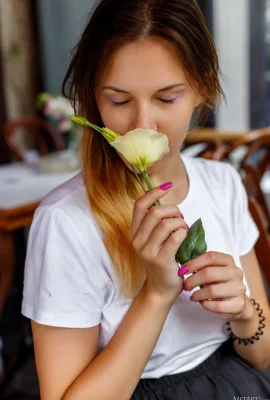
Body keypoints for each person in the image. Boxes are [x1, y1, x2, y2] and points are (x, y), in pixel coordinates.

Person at [22, 0, 270, 399]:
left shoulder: (223, 183)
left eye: (167, 98)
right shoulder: (65, 221)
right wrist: (156, 294)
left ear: (201, 88)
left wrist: (242, 312)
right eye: (119, 101)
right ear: (93, 101)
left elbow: (261, 356)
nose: (142, 125)